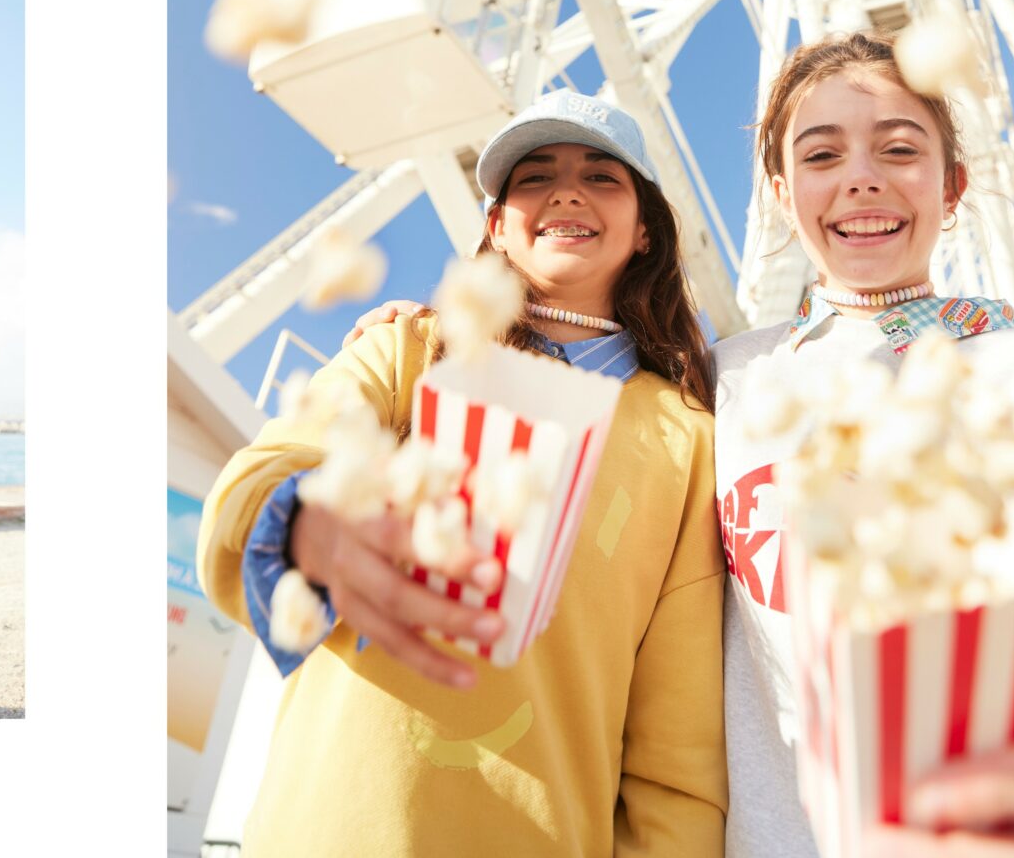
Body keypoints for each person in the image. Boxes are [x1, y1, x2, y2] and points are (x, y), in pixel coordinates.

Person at [197, 91, 727, 856]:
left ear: (645, 228)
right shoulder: (407, 350)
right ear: (496, 226)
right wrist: (306, 524)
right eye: (533, 177)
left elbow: (678, 751)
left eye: (602, 177)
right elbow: (263, 474)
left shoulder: (689, 441)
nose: (567, 191)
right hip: (328, 828)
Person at [714, 32, 1014, 858]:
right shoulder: (719, 387)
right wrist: (409, 361)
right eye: (823, 154)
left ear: (953, 184)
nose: (862, 175)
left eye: (900, 147)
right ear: (783, 196)